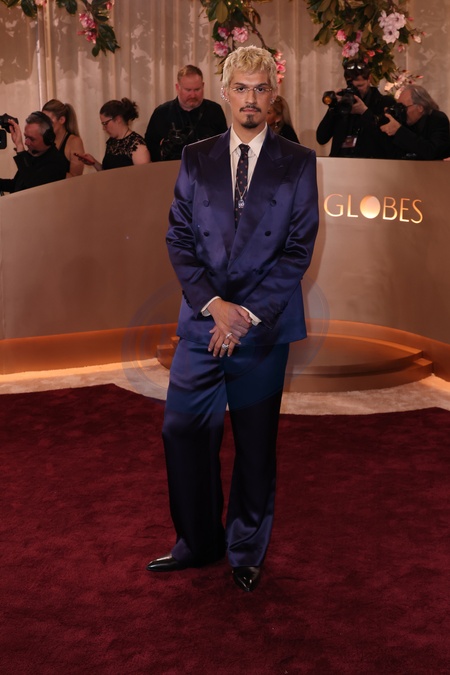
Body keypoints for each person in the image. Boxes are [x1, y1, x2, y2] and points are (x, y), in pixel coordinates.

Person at [146, 46, 319, 592]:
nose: (251, 99)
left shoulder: (298, 161)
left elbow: (297, 249)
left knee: (255, 443)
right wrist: (215, 306)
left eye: (260, 89)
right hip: (204, 319)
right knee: (182, 430)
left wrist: (244, 314)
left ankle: (246, 547)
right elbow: (179, 236)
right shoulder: (196, 156)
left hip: (262, 325)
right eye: (241, 88)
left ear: (273, 95)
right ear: (225, 93)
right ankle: (198, 542)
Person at [145, 65, 228, 162]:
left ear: (203, 86)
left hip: (207, 168)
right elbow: (151, 147)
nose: (193, 95)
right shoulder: (161, 113)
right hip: (170, 169)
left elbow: (224, 145)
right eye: (188, 90)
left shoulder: (215, 110)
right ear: (177, 88)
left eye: (197, 89)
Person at [316, 59, 393, 158]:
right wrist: (333, 108)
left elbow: (386, 141)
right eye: (352, 86)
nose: (357, 90)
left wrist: (364, 112)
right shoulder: (344, 101)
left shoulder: (383, 102)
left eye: (360, 86)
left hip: (370, 163)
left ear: (369, 79)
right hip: (340, 162)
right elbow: (321, 138)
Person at [0, 112, 67, 194]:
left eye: (31, 139)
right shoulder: (32, 154)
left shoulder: (56, 162)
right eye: (26, 137)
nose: (26, 142)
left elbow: (32, 187)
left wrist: (20, 147)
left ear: (48, 138)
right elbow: (16, 185)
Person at [379, 84, 450, 160]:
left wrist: (399, 131)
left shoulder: (438, 119)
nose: (401, 112)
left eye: (404, 108)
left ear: (420, 107)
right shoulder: (404, 122)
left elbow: (432, 152)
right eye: (399, 107)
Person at [77, 98, 150, 171]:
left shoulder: (137, 146)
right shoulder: (112, 141)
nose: (103, 128)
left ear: (118, 119)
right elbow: (107, 172)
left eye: (105, 123)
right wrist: (94, 162)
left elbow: (144, 176)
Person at [42, 99, 85, 177]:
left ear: (61, 120)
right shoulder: (43, 139)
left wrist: (48, 171)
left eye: (49, 122)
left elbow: (76, 178)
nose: (44, 125)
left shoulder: (74, 142)